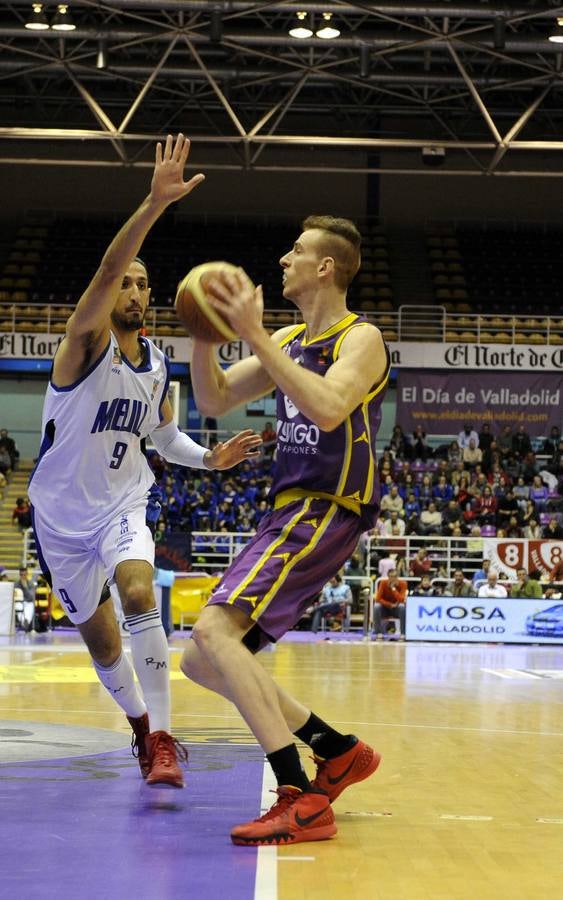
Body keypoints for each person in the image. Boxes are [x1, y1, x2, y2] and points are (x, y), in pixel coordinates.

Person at [27, 134, 260, 792]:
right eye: (125, 281)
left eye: (142, 284)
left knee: (138, 593)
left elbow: (163, 439)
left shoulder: (157, 365)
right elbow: (104, 272)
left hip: (123, 506)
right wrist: (155, 204)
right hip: (58, 519)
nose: (132, 288)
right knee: (102, 646)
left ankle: (161, 738)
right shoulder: (81, 347)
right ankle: (137, 726)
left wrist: (209, 459)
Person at [180, 213, 388, 845]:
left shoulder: (363, 337)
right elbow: (213, 400)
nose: (283, 261)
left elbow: (327, 407)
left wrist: (254, 334)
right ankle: (336, 748)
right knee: (200, 659)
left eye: (296, 252)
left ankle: (298, 794)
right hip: (288, 509)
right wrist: (207, 333)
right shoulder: (292, 338)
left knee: (214, 630)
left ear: (326, 267)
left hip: (326, 504)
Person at [373, 570, 407, 637]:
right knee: (376, 606)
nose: (393, 578)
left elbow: (401, 599)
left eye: (395, 576)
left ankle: (403, 633)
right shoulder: (383, 583)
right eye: (391, 576)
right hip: (385, 608)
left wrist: (393, 589)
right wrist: (390, 605)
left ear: (397, 577)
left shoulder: (403, 584)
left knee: (402, 607)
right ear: (388, 577)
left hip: (396, 609)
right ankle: (378, 633)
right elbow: (378, 599)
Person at [14, 565, 37, 631]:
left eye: (24, 574)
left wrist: (25, 587)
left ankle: (26, 622)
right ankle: (24, 623)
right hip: (19, 602)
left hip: (28, 602)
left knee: (30, 607)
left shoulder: (31, 584)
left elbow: (31, 597)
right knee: (18, 606)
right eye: (21, 575)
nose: (23, 576)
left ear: (27, 574)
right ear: (19, 575)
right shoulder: (16, 584)